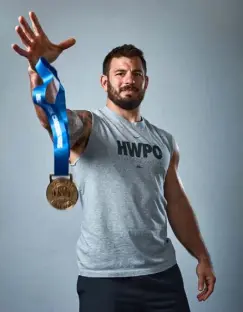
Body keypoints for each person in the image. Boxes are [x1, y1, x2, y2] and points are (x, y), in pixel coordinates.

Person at [12, 11, 216, 312]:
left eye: (136, 74)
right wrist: (39, 68)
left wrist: (202, 256)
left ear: (146, 82)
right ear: (104, 81)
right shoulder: (89, 127)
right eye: (120, 73)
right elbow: (51, 117)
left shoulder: (164, 141)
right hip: (105, 280)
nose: (129, 79)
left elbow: (176, 202)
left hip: (163, 275)